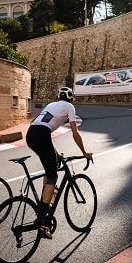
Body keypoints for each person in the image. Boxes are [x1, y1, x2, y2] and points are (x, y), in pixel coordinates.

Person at [26, 86, 92, 239]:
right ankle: (42, 220)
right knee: (53, 177)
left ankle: (44, 201)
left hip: (31, 134)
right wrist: (84, 152)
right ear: (71, 98)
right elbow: (75, 134)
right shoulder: (69, 106)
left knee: (50, 167)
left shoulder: (51, 105)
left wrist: (56, 154)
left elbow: (44, 131)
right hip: (41, 135)